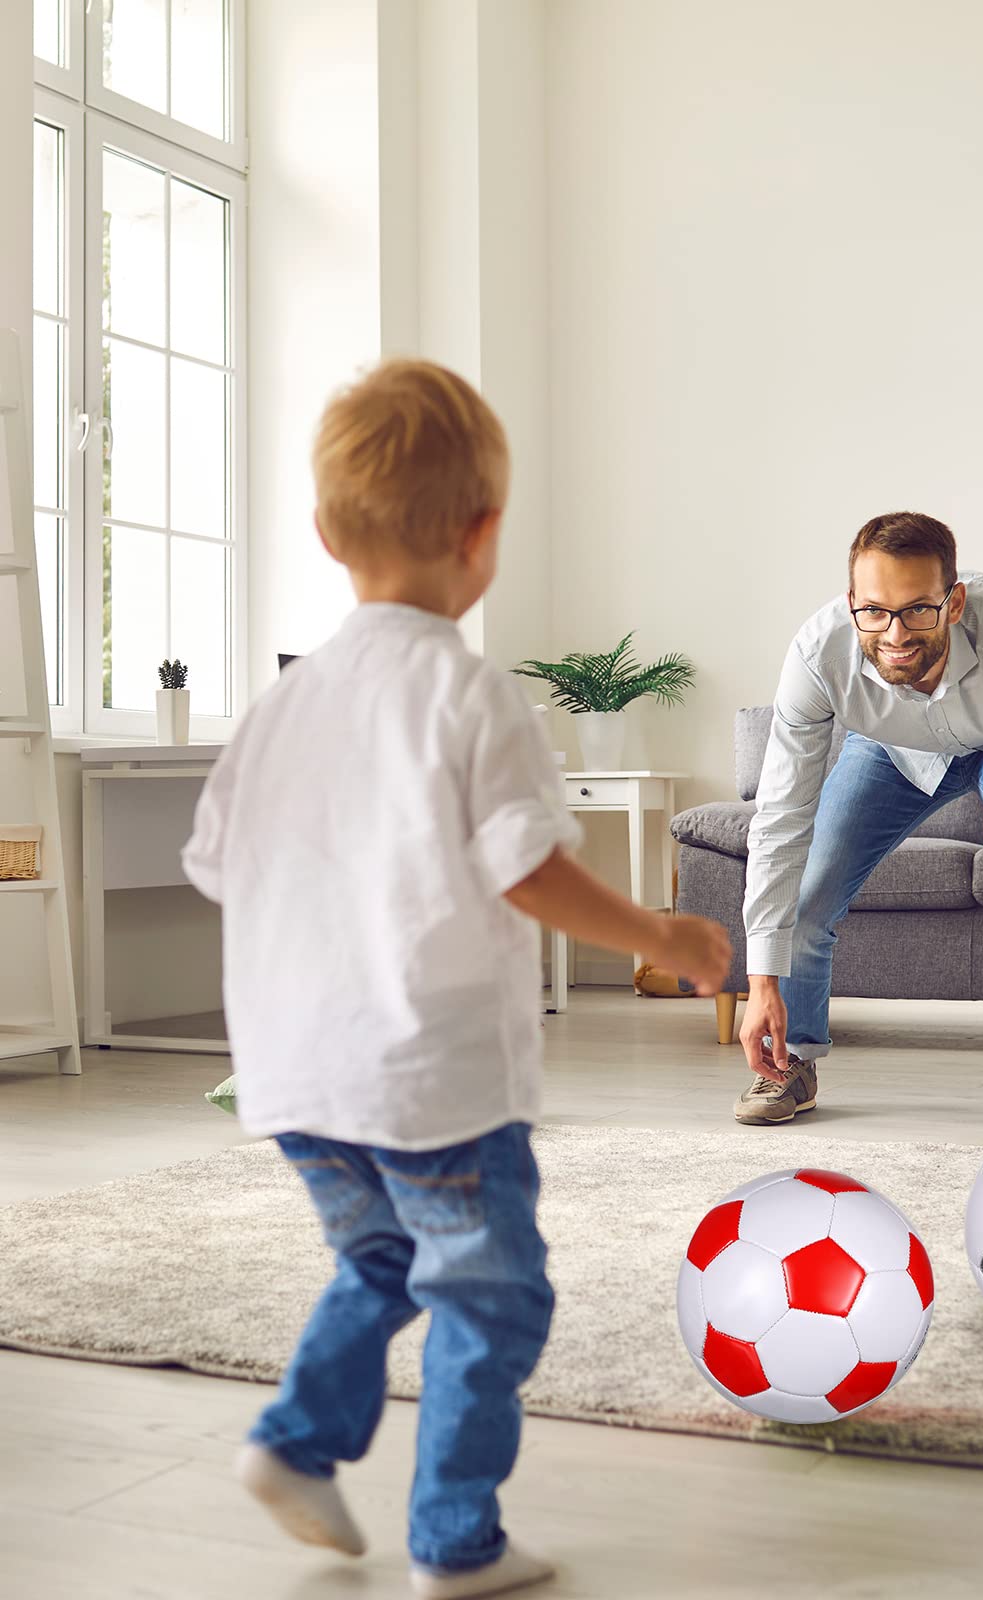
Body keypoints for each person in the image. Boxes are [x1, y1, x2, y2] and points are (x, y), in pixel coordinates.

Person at [182, 360, 730, 1598]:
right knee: (492, 1298)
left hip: (292, 1077)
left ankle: (295, 1441)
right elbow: (529, 871)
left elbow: (221, 868)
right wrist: (666, 936)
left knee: (380, 1262)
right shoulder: (470, 694)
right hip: (430, 1078)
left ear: (327, 533)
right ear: (483, 539)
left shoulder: (283, 704)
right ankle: (455, 1538)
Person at [736, 511, 983, 1127]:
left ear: (954, 602)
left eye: (918, 609)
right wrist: (761, 978)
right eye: (874, 610)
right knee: (811, 882)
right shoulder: (818, 658)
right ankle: (790, 1062)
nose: (895, 632)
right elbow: (781, 817)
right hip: (889, 749)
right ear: (851, 604)